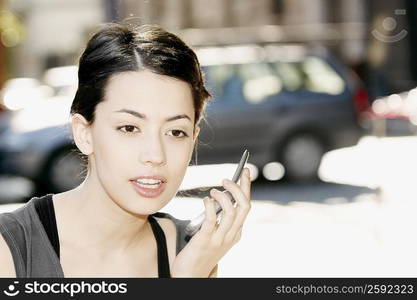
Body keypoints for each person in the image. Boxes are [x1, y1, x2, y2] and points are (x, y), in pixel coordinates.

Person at [0, 22, 251, 278]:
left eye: (176, 132)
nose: (155, 155)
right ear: (83, 132)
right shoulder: (11, 248)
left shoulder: (192, 252)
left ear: (193, 138)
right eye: (129, 128)